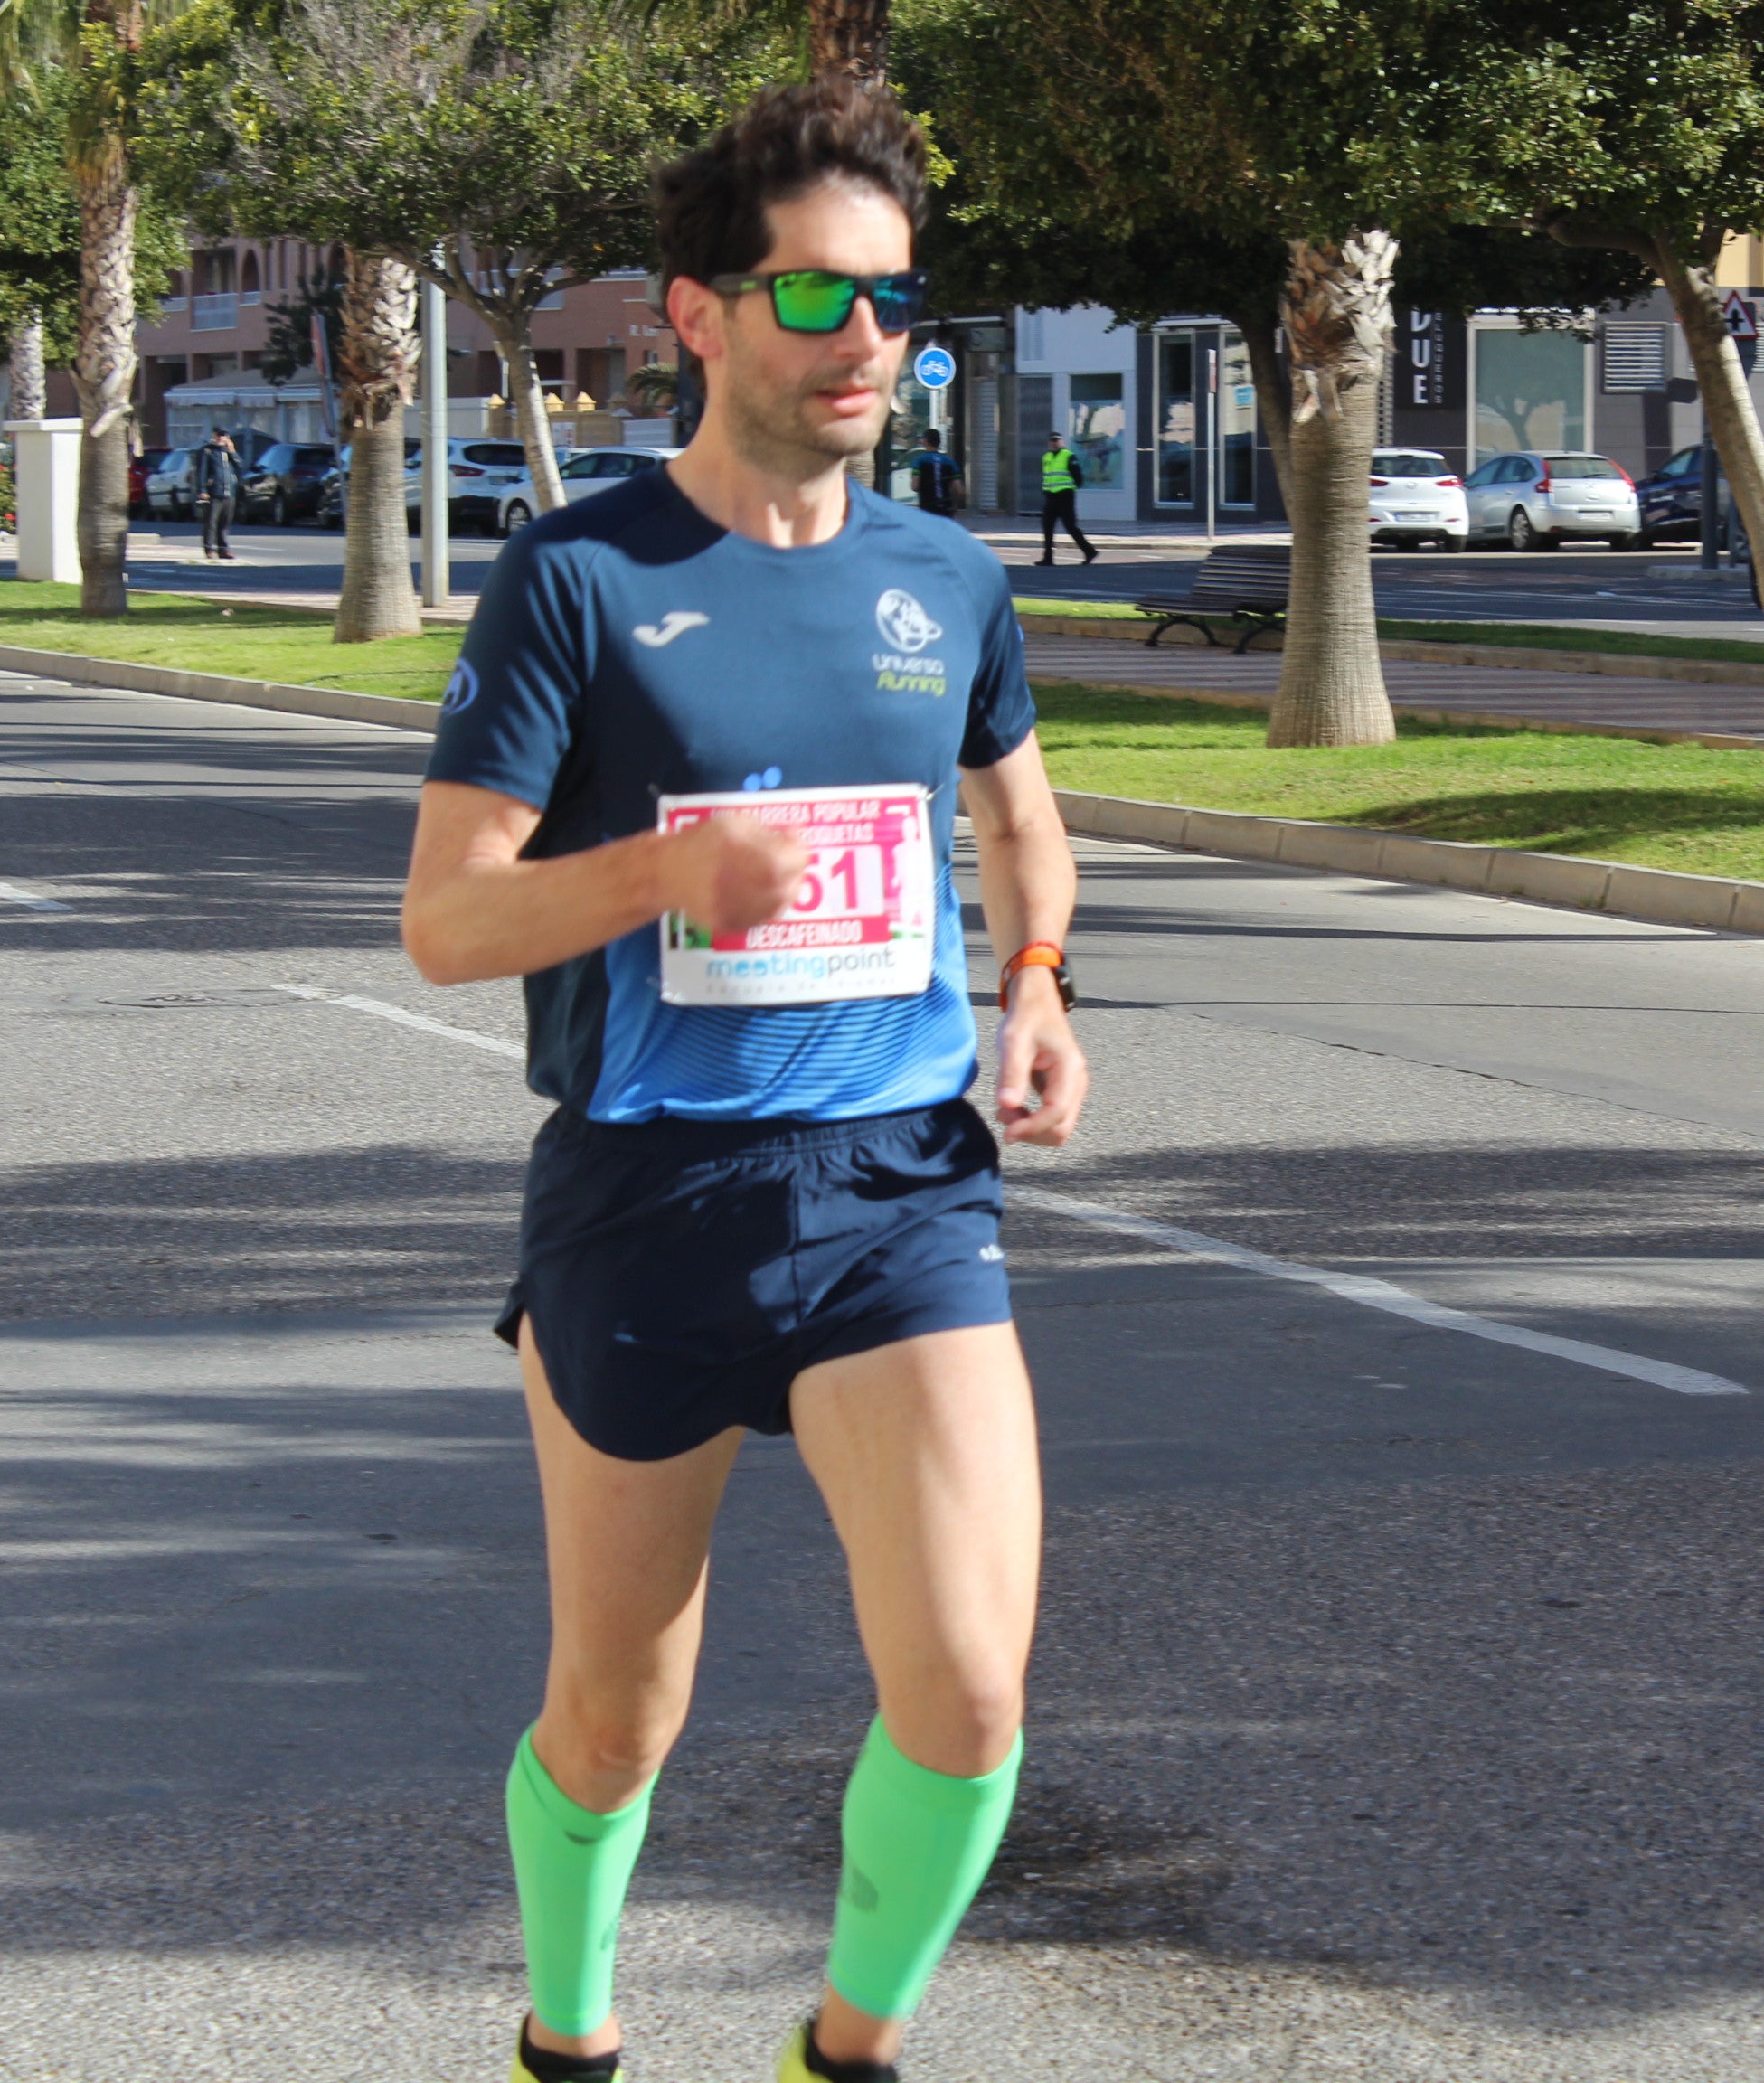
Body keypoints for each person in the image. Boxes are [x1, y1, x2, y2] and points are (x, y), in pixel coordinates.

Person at [400, 76, 1088, 2083]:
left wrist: (1036, 980)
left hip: (896, 1187)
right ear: (699, 315)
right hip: (645, 1195)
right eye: (817, 301)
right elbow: (449, 922)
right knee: (617, 1713)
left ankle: (844, 2054)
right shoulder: (582, 577)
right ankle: (569, 2036)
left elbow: (1024, 822)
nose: (866, 339)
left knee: (970, 1694)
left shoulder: (948, 578)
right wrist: (660, 874)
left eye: (897, 302)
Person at [1033, 430, 1093, 566]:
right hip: (1051, 497)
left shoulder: (1068, 456)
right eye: (1052, 441)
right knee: (1047, 527)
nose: (1054, 443)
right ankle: (1048, 558)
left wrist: (1071, 489)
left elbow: (1078, 477)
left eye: (1056, 441)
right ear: (1048, 443)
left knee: (1070, 527)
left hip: (1065, 497)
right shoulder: (1046, 457)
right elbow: (1047, 476)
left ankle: (1089, 551)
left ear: (1062, 442)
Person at [193, 429, 240, 559]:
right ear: (213, 435)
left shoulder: (227, 452)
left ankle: (223, 549)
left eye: (223, 435)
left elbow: (239, 467)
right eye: (218, 435)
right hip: (214, 492)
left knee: (225, 522)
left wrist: (233, 452)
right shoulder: (207, 451)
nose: (220, 438)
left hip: (228, 492)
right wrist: (202, 489)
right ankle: (209, 549)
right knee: (211, 522)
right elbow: (201, 472)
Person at [907, 427, 960, 517]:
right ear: (939, 442)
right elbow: (960, 490)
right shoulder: (950, 462)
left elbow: (915, 486)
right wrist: (954, 507)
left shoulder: (919, 461)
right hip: (946, 508)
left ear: (925, 442)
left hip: (927, 508)